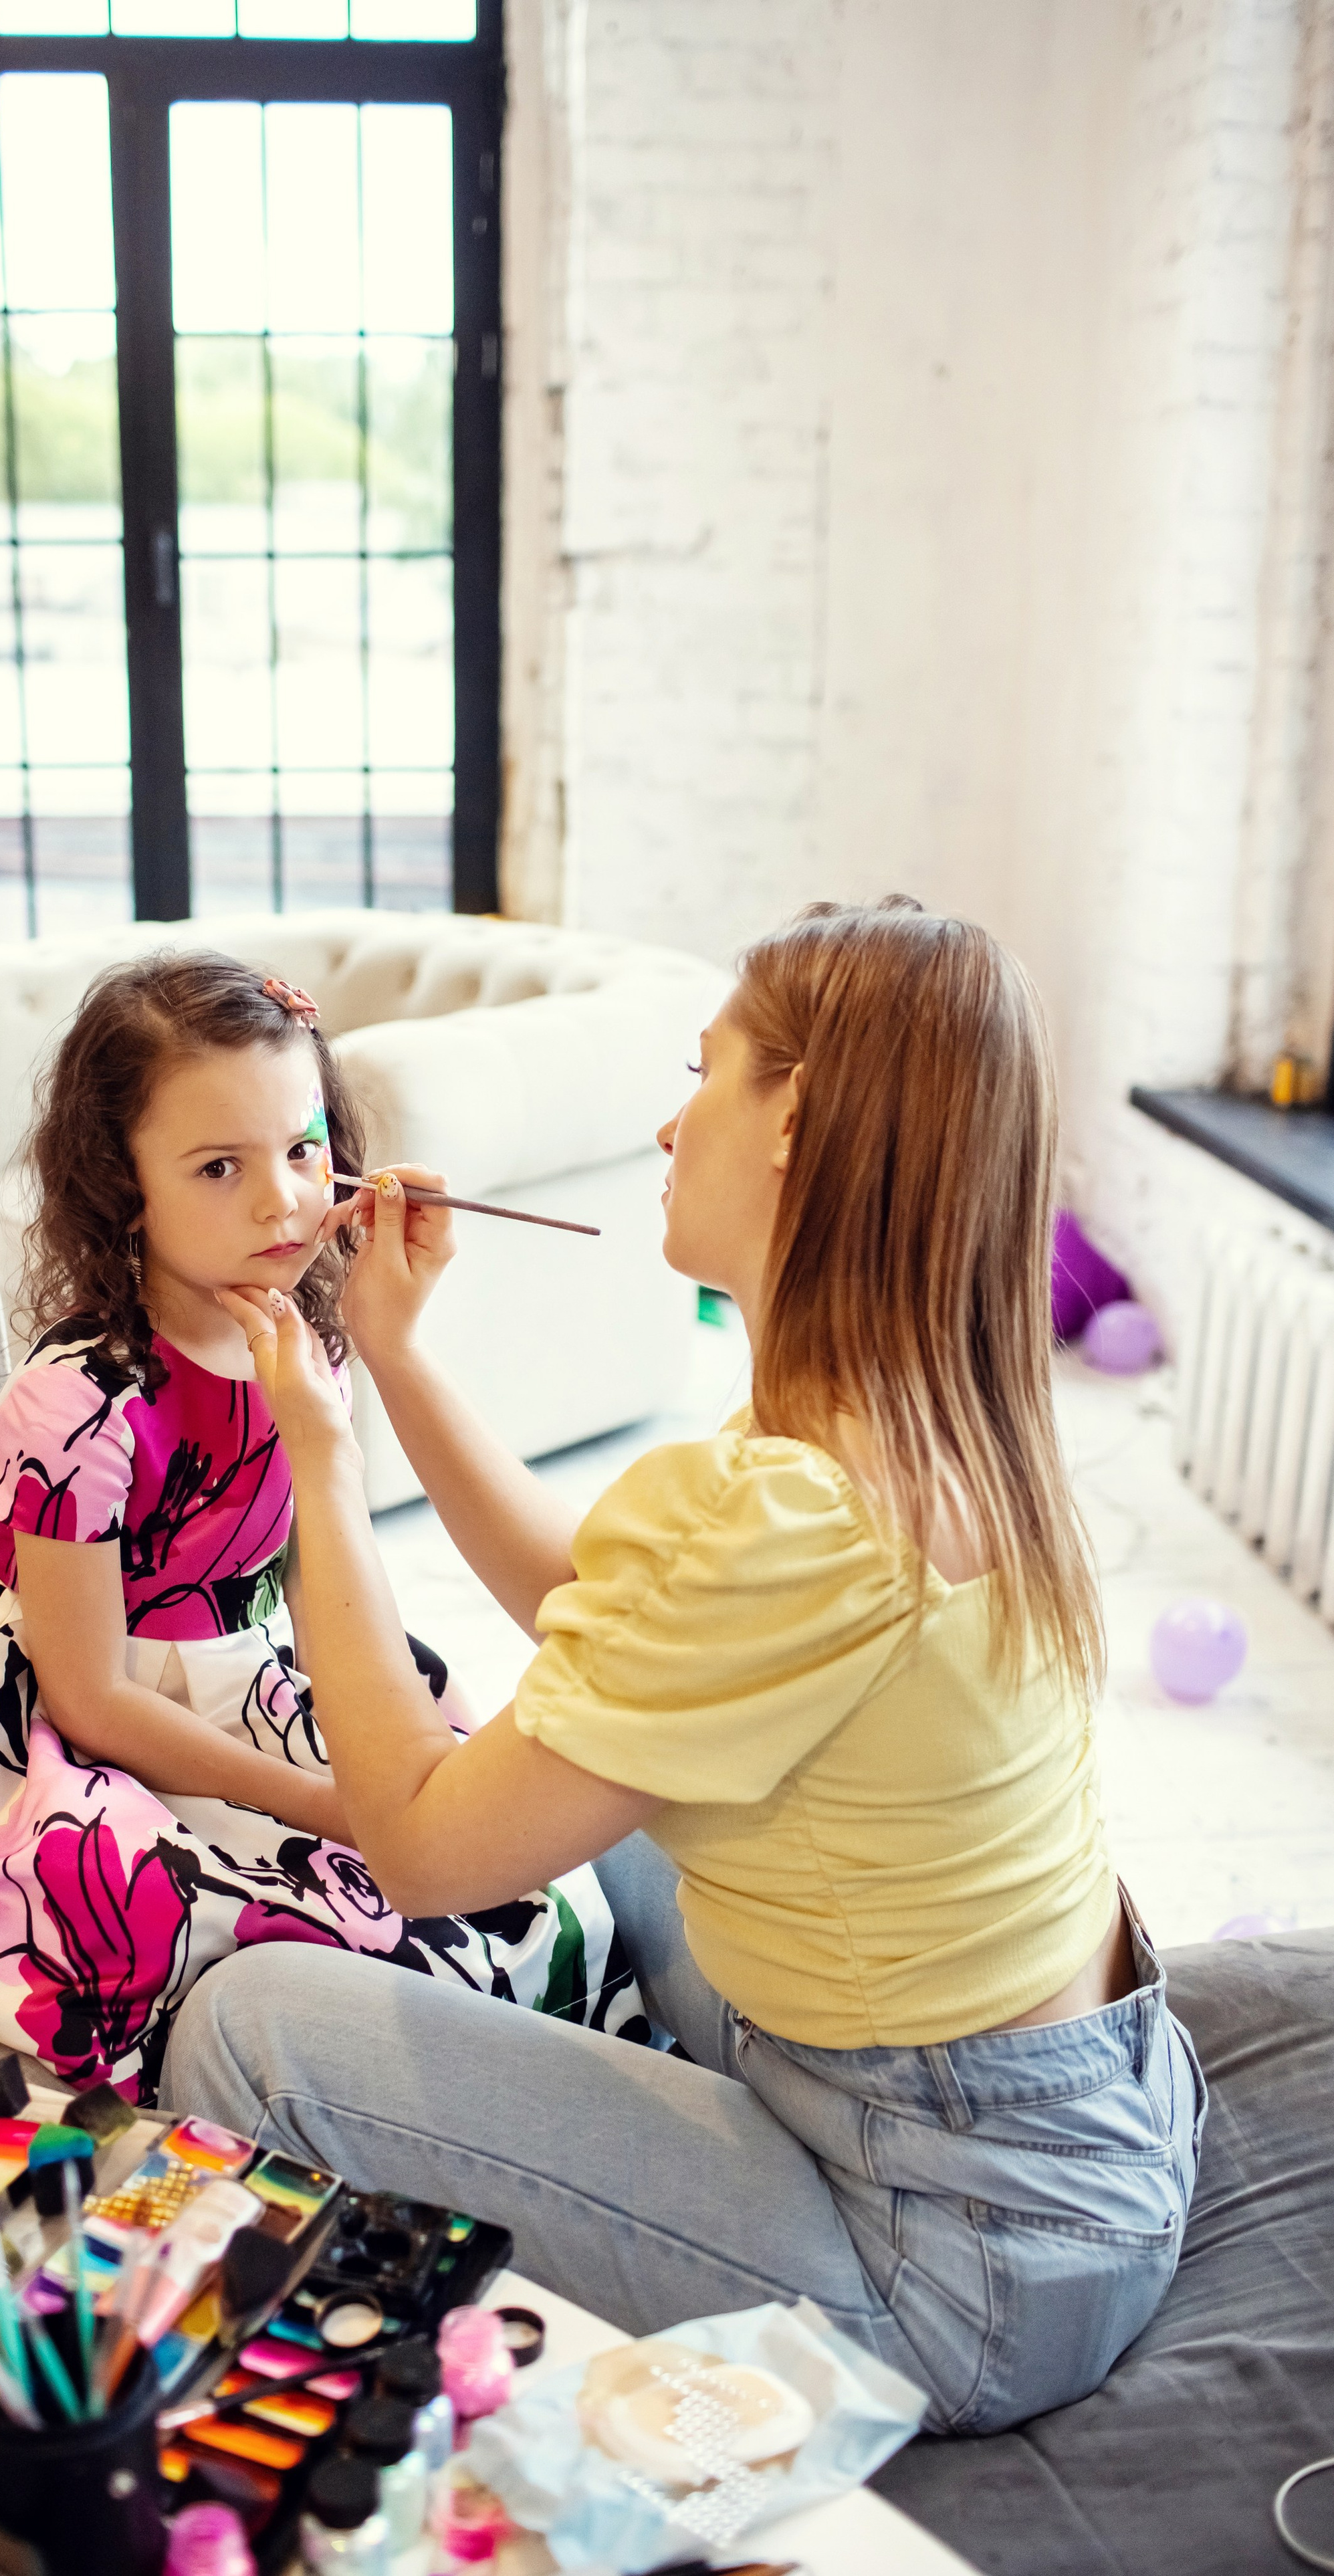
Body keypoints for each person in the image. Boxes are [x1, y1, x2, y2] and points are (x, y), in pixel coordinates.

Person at [164, 897, 1206, 2437]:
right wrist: (387, 1353)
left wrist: (319, 1459)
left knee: (248, 2026)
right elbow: (616, 1609)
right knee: (626, 1834)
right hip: (1081, 2131)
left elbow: (419, 1845)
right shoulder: (907, 1413)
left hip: (958, 2266)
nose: (669, 1121)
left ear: (795, 1122)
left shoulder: (786, 1509)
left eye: (704, 1071)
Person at [0, 953, 644, 2101]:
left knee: (512, 1885)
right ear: (123, 1186)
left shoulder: (306, 1341)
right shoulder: (77, 1407)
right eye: (221, 1166)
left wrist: (386, 1781)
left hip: (262, 1669)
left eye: (305, 1146)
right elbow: (92, 1699)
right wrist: (333, 1804)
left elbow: (315, 1586)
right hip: (93, 1719)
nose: (284, 1198)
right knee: (275, 1947)